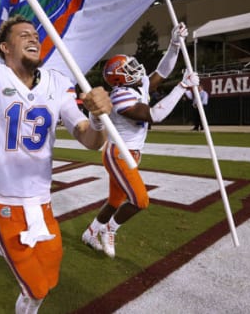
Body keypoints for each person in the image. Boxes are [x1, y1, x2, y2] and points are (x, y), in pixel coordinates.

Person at [0, 0, 112, 314]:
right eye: (22, 35)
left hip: (43, 202)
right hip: (7, 203)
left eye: (35, 34)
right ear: (4, 49)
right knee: (35, 286)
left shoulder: (58, 83)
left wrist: (97, 118)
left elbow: (90, 140)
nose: (33, 37)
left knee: (49, 280)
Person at [82, 47, 199, 259]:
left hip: (130, 152)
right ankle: (110, 229)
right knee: (140, 200)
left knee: (115, 201)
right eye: (130, 68)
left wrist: (173, 46)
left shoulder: (136, 85)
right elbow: (155, 114)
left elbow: (161, 72)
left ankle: (91, 233)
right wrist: (182, 86)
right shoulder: (119, 97)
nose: (137, 69)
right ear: (120, 77)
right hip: (119, 153)